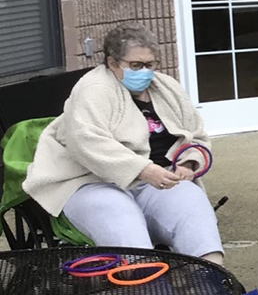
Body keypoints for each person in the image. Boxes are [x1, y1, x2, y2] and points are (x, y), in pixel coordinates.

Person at [23, 23, 223, 264]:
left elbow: (196, 134)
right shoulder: (93, 89)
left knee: (193, 205)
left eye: (150, 65)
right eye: (135, 66)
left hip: (156, 180)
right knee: (121, 217)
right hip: (90, 181)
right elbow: (86, 142)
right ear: (113, 63)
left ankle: (213, 287)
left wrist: (189, 164)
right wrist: (143, 169)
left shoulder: (167, 87)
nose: (145, 72)